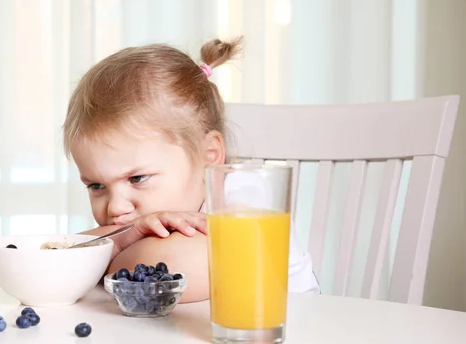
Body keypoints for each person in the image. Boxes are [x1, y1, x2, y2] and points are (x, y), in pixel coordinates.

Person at [62, 37, 319, 303]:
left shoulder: (241, 192)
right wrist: (122, 239)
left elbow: (176, 270)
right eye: (96, 186)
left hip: (290, 335)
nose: (115, 208)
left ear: (209, 157)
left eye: (137, 178)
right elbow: (51, 259)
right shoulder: (134, 220)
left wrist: (104, 257)